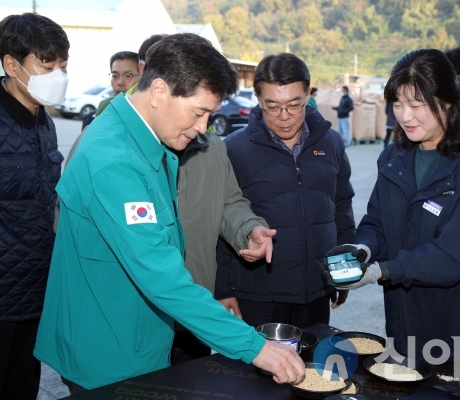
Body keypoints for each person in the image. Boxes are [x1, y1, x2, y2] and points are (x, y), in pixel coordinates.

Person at [34, 34, 305, 392]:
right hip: (109, 355)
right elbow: (161, 276)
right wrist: (256, 348)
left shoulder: (144, 140)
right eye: (198, 112)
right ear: (159, 91)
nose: (202, 126)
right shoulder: (115, 161)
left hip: (139, 339)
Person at [324, 49, 460, 387]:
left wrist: (382, 271)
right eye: (397, 104)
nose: (405, 116)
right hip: (405, 320)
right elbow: (377, 222)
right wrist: (364, 250)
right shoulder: (394, 157)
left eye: (417, 104)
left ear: (448, 101)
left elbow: (452, 256)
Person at [215, 53, 355, 330]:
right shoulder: (234, 149)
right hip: (258, 293)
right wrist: (224, 288)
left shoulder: (331, 142)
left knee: (313, 368)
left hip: (317, 289)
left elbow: (342, 209)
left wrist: (344, 272)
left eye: (294, 105)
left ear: (307, 96)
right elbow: (221, 219)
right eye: (272, 107)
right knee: (256, 373)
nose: (284, 117)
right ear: (258, 101)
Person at [0, 13, 69, 400]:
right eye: (47, 67)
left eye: (63, 66)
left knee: (22, 387)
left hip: (34, 290)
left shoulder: (42, 120)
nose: (59, 76)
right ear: (12, 65)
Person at [82, 51, 141, 129]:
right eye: (115, 76)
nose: (120, 83)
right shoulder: (92, 119)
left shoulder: (148, 122)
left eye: (128, 76)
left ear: (142, 76)